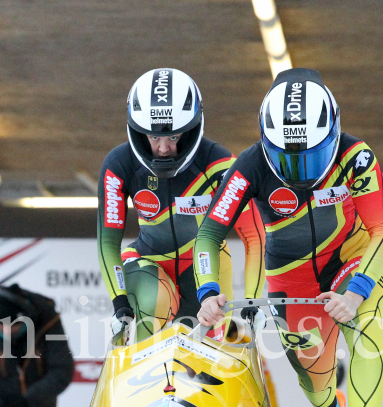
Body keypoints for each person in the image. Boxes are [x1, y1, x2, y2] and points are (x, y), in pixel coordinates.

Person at [194, 67, 383, 407]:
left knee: (363, 323)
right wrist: (209, 291)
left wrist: (357, 292)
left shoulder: (357, 156)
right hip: (293, 276)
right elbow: (209, 235)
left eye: (311, 156)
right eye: (288, 157)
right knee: (313, 377)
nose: (301, 169)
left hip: (353, 255)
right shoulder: (249, 165)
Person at [98, 68, 264, 341]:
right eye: (154, 137)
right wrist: (119, 303)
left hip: (204, 267)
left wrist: (253, 301)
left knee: (211, 365)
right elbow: (107, 242)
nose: (163, 149)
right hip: (146, 262)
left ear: (190, 130)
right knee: (152, 302)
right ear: (138, 132)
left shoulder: (219, 163)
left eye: (173, 137)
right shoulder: (119, 165)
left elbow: (254, 236)